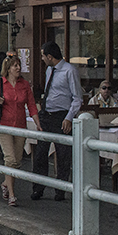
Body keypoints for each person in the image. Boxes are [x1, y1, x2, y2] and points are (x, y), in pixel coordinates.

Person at [0, 54, 38, 206]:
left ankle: (5, 184)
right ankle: (12, 195)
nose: (18, 68)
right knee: (10, 159)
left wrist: (38, 124)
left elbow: (31, 105)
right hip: (4, 125)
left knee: (17, 161)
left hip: (20, 126)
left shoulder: (24, 85)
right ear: (8, 68)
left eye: (19, 65)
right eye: (15, 66)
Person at [32, 41, 81, 201]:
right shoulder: (49, 70)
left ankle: (61, 189)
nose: (42, 58)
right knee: (40, 153)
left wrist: (69, 117)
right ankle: (38, 187)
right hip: (47, 114)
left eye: (43, 55)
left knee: (63, 155)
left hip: (61, 115)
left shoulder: (69, 71)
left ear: (50, 56)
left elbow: (77, 98)